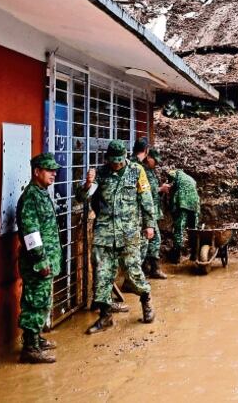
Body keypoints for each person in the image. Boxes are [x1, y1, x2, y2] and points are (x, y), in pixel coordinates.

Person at [78, 140, 157, 334]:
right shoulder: (101, 174)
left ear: (125, 157)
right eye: (113, 161)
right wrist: (88, 183)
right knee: (102, 274)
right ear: (108, 159)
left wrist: (149, 225)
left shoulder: (137, 171)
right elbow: (82, 198)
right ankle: (105, 316)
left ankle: (146, 300)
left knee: (133, 271)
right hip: (104, 233)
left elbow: (146, 199)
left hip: (129, 232)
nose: (116, 165)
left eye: (119, 161)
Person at [16, 153, 62, 364]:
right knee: (35, 301)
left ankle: (35, 338)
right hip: (37, 262)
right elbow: (31, 233)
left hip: (45, 260)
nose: (54, 174)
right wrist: (41, 261)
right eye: (49, 170)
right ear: (37, 172)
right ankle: (30, 348)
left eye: (54, 170)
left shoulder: (41, 193)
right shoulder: (31, 197)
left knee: (42, 300)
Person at [141, 148, 166, 279]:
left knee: (150, 240)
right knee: (154, 239)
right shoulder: (143, 171)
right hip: (147, 212)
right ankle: (152, 269)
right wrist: (161, 188)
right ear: (148, 157)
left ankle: (148, 269)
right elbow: (146, 192)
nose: (156, 164)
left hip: (152, 210)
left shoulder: (151, 171)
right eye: (155, 161)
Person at [167, 168, 200, 263]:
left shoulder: (173, 173)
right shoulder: (190, 179)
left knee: (179, 229)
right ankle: (194, 255)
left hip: (183, 203)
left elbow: (172, 188)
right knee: (193, 229)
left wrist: (173, 207)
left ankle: (176, 256)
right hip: (195, 204)